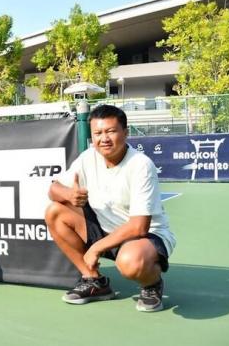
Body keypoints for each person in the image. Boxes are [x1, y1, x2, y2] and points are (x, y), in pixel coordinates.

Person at [45, 104, 175, 312]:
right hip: (105, 228)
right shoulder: (88, 157)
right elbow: (53, 189)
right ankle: (94, 282)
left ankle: (151, 284)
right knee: (55, 211)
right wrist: (69, 194)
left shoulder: (141, 165)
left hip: (144, 237)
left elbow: (139, 227)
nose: (103, 138)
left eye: (111, 131)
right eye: (97, 133)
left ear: (126, 132)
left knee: (130, 262)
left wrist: (96, 247)